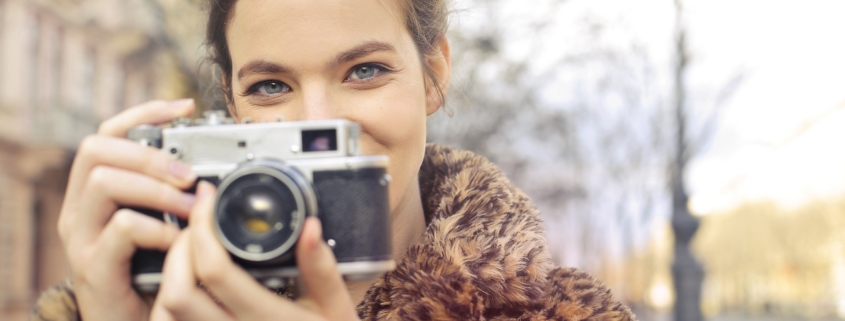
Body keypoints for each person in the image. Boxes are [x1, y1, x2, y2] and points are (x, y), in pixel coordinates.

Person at [32, 0, 636, 320]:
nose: (316, 120)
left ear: (434, 74)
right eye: (270, 85)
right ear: (230, 101)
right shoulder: (148, 305)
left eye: (365, 71)